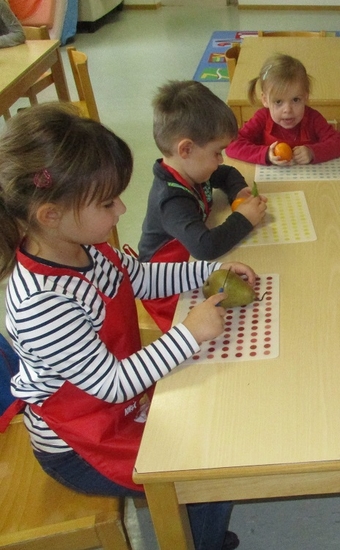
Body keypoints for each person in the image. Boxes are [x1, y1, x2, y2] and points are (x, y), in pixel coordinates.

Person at [0, 103, 252, 550]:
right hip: (80, 443)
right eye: (106, 201)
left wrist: (208, 272)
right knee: (205, 472)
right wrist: (187, 334)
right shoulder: (41, 303)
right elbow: (112, 384)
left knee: (216, 415)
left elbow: (138, 276)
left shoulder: (82, 247)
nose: (122, 208)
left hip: (123, 403)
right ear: (50, 215)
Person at [138, 80, 267, 331]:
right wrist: (244, 218)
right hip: (166, 290)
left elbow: (227, 173)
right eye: (217, 152)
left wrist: (238, 192)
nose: (221, 160)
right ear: (186, 149)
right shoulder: (171, 200)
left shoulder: (193, 169)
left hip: (189, 270)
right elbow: (205, 247)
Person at [224, 53, 340, 165]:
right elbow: (232, 144)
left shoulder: (313, 118)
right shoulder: (262, 118)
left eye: (295, 100)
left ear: (305, 97)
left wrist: (312, 152)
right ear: (265, 100)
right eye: (278, 102)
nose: (288, 110)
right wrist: (266, 154)